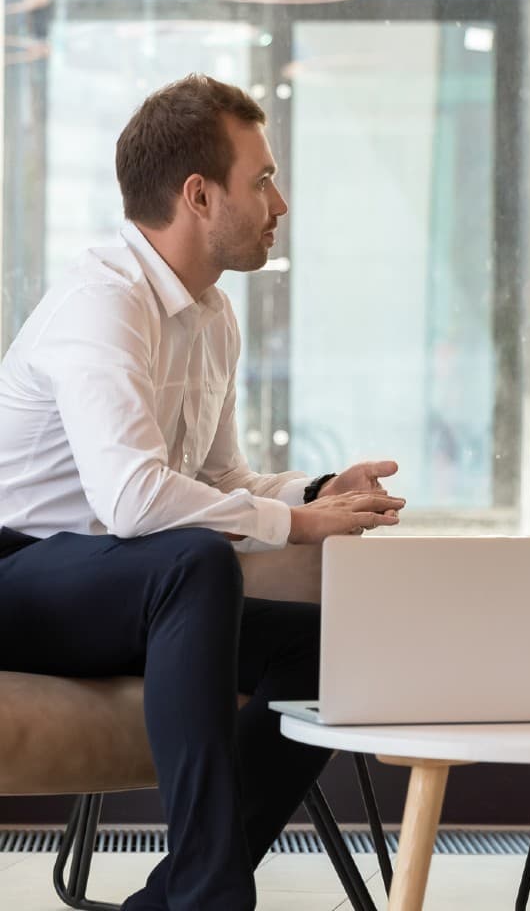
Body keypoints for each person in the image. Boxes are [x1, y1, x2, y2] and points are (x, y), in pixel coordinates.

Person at [0, 74, 406, 911]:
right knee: (192, 561)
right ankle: (212, 895)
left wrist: (323, 493)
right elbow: (137, 503)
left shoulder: (212, 313)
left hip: (123, 588)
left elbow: (217, 481)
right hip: (20, 577)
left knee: (336, 653)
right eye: (261, 180)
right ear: (198, 194)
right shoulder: (103, 304)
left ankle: (182, 892)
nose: (280, 201)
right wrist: (294, 522)